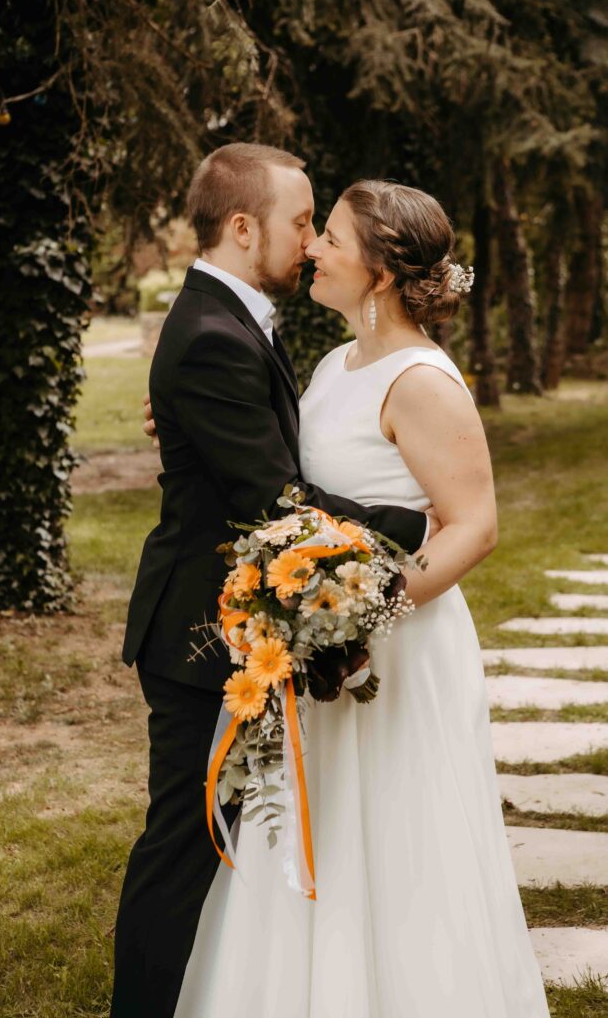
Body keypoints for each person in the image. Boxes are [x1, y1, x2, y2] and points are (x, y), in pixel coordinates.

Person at [173, 181, 551, 1016]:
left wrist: (364, 612)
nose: (310, 248)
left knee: (397, 839)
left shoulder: (421, 380)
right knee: (326, 832)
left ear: (378, 272)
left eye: (331, 237)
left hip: (396, 645)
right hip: (325, 648)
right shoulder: (333, 363)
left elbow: (473, 526)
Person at [111, 146, 435, 1018]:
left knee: (204, 843)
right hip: (200, 636)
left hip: (226, 621)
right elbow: (277, 501)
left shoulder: (232, 318)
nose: (310, 242)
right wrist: (415, 522)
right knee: (182, 846)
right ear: (242, 226)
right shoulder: (214, 332)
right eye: (300, 223)